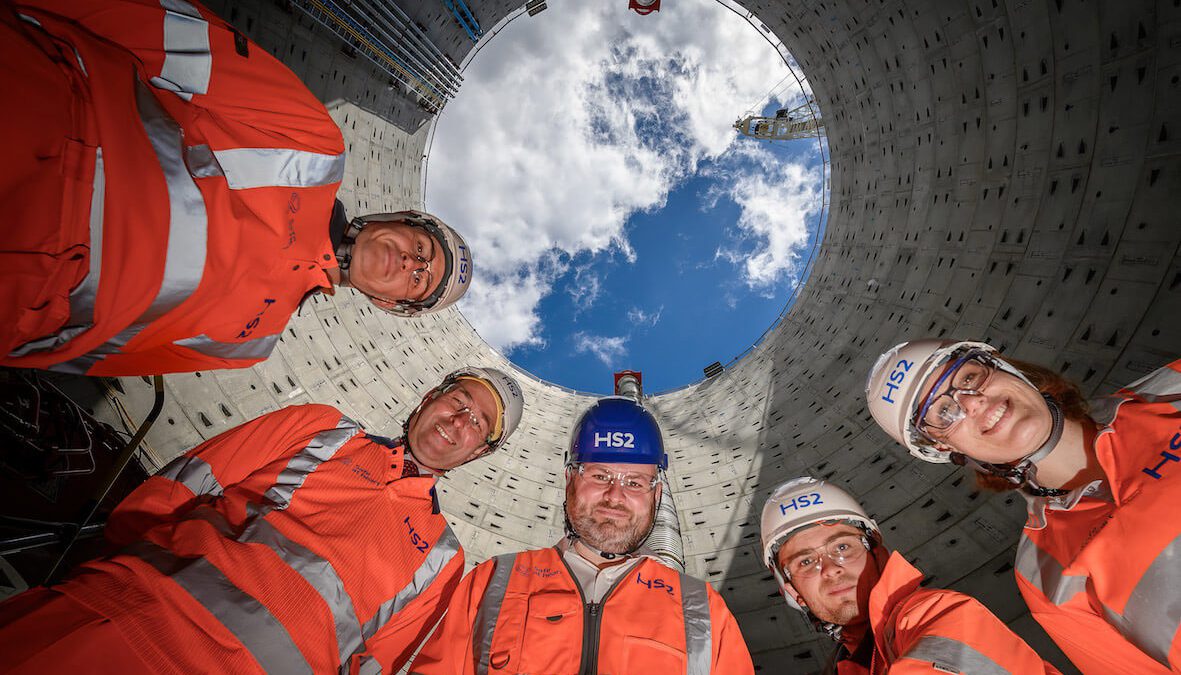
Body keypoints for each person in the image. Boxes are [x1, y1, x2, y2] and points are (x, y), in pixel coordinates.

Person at [0, 0, 473, 377]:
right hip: (34, 115)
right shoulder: (313, 147)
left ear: (389, 304)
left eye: (419, 279)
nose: (413, 262)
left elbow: (92, 355)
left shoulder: (248, 346)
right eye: (421, 246)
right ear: (394, 221)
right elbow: (168, 36)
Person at [0, 367, 524, 674]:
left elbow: (374, 665)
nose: (460, 421)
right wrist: (117, 578)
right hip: (131, 616)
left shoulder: (443, 558)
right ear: (427, 401)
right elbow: (183, 482)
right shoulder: (323, 428)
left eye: (478, 423)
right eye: (457, 401)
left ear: (478, 453)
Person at [865, 338, 1181, 673]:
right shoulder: (1043, 573)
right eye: (944, 413)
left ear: (1007, 369)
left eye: (969, 377)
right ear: (948, 452)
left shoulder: (1170, 389)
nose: (972, 402)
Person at [409, 396, 755, 675]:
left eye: (634, 482)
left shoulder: (702, 609)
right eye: (600, 475)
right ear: (569, 479)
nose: (615, 496)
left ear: (657, 495)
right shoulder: (494, 581)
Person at [759, 476, 1059, 674]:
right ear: (794, 593)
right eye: (806, 562)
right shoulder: (847, 665)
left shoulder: (936, 614)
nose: (831, 568)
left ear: (879, 555)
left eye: (842, 546)